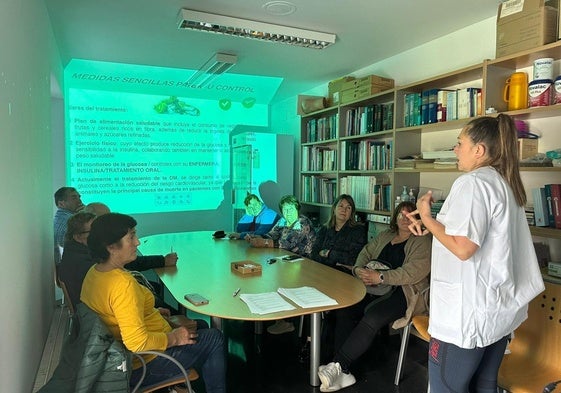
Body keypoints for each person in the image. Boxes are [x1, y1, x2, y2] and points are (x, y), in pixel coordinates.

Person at [406, 114, 544, 393]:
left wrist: (427, 216)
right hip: (495, 315)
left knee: (446, 388)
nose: (455, 150)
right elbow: (479, 237)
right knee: (484, 385)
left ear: (479, 150)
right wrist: (431, 225)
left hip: (466, 318)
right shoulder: (504, 184)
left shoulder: (472, 183)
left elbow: (464, 248)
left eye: (460, 143)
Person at [81, 213, 225, 393]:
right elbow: (137, 343)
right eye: (131, 237)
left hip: (119, 355)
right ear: (111, 247)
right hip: (142, 364)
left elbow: (117, 313)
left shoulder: (94, 273)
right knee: (214, 338)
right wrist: (174, 338)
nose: (137, 242)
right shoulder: (122, 284)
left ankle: (184, 387)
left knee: (201, 325)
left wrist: (152, 312)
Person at [318, 201, 431, 392]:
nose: (404, 219)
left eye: (409, 215)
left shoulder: (422, 241)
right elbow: (366, 252)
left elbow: (413, 273)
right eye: (400, 215)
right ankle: (339, 367)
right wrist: (359, 269)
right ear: (395, 217)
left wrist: (380, 277)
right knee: (346, 308)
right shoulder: (386, 235)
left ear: (417, 218)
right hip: (372, 286)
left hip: (404, 292)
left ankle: (339, 365)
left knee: (373, 317)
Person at [59, 211, 181, 312]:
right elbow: (135, 336)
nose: (101, 234)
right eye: (93, 232)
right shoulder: (89, 266)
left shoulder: (77, 254)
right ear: (78, 237)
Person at [250, 194, 317, 334]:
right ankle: (276, 315)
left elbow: (286, 244)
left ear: (297, 209)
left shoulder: (302, 223)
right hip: (287, 261)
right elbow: (271, 235)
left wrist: (264, 243)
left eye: (291, 209)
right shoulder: (283, 221)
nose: (288, 212)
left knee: (280, 278)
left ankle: (287, 321)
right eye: (285, 209)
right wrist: (257, 237)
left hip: (306, 265)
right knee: (270, 275)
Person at [311, 194, 367, 271]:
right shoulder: (325, 228)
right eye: (341, 206)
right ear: (334, 209)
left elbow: (354, 259)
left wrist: (328, 253)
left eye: (348, 208)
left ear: (351, 213)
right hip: (322, 270)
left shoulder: (358, 231)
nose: (344, 210)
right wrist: (336, 262)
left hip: (343, 275)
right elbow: (314, 253)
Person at [53, 186, 85, 253]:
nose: (79, 201)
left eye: (79, 197)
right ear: (61, 204)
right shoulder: (70, 221)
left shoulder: (58, 219)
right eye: (74, 198)